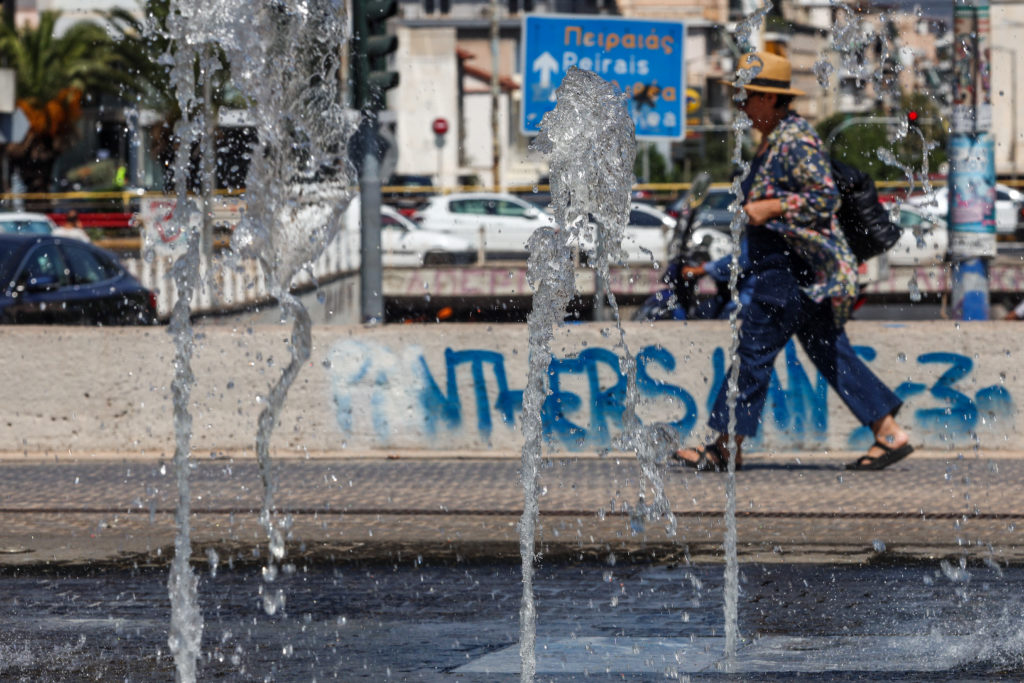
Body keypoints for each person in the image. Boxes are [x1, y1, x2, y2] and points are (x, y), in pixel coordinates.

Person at [672, 51, 913, 472]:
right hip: (803, 273)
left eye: (746, 97)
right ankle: (888, 432)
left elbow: (825, 198)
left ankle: (726, 446)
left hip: (787, 271)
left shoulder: (795, 139)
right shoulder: (776, 140)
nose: (741, 106)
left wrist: (772, 207)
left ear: (769, 99)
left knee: (752, 355)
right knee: (830, 353)